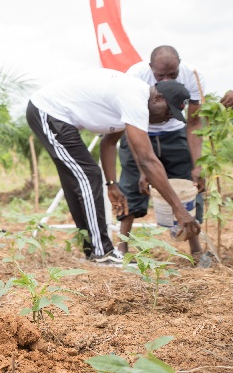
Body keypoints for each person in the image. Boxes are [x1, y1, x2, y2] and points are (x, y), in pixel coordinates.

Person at [26, 69, 201, 266]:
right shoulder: (135, 99)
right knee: (88, 176)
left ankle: (94, 251)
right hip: (49, 111)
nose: (166, 119)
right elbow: (147, 160)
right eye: (169, 112)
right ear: (158, 98)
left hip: (56, 115)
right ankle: (102, 253)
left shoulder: (134, 100)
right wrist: (178, 209)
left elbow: (108, 143)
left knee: (80, 178)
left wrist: (111, 185)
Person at [117, 46, 204, 258]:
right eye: (160, 75)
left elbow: (193, 123)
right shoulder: (135, 76)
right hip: (139, 132)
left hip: (175, 135)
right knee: (131, 189)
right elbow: (129, 124)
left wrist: (198, 165)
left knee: (187, 187)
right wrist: (142, 168)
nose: (166, 80)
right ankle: (121, 250)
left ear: (180, 66)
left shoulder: (192, 75)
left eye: (172, 75)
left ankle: (196, 251)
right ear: (150, 68)